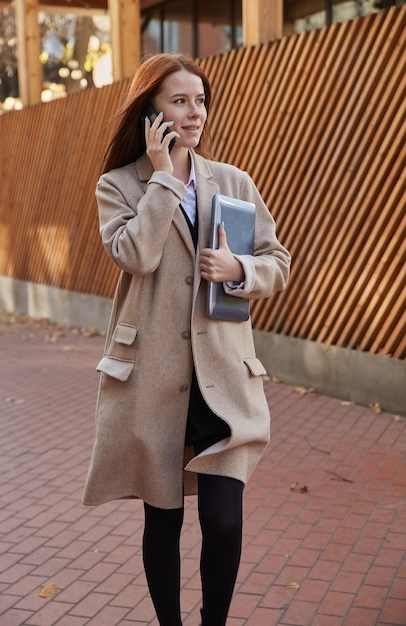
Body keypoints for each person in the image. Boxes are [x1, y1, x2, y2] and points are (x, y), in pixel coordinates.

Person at [82, 53, 291, 626]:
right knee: (164, 520)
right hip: (153, 377)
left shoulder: (234, 182)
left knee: (224, 518)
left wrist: (239, 271)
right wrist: (165, 179)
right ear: (152, 111)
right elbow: (135, 254)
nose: (194, 112)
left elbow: (278, 260)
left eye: (199, 100)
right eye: (179, 101)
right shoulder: (119, 185)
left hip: (223, 378)